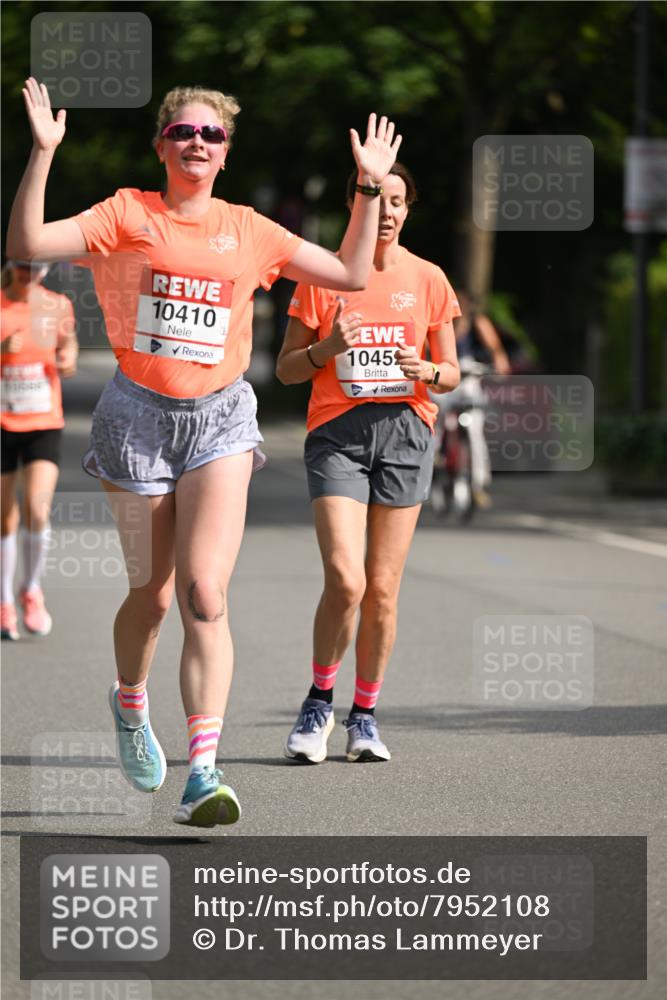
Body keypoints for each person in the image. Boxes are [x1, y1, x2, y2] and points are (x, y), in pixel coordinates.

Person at [7, 76, 401, 827]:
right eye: (183, 132)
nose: (197, 143)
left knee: (204, 595)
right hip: (137, 417)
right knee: (152, 596)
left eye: (211, 135)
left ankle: (203, 772)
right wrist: (43, 152)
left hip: (220, 418)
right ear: (162, 145)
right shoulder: (127, 213)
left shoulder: (250, 230)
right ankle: (130, 703)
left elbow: (351, 272)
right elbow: (25, 243)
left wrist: (366, 188)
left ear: (225, 153)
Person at [276, 163, 460, 764]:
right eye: (378, 202)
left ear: (409, 210)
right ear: (360, 207)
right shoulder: (323, 276)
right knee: (346, 579)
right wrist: (328, 348)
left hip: (406, 433)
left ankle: (365, 716)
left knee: (381, 590)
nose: (388, 214)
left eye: (399, 203)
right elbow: (286, 368)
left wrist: (427, 371)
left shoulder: (429, 279)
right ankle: (318, 701)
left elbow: (450, 372)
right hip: (338, 435)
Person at [1, 259, 77, 640]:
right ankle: (3, 603)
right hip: (2, 423)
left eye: (35, 268)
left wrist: (69, 357)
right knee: (5, 517)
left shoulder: (57, 306)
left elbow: (68, 342)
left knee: (36, 506)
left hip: (44, 421)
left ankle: (30, 590)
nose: (28, 274)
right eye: (22, 267)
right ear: (11, 267)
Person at [435, 290, 511, 508]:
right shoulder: (439, 319)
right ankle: (433, 458)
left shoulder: (479, 323)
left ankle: (477, 482)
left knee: (475, 429)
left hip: (468, 374)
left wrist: (500, 364)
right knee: (435, 418)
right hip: (441, 373)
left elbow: (495, 348)